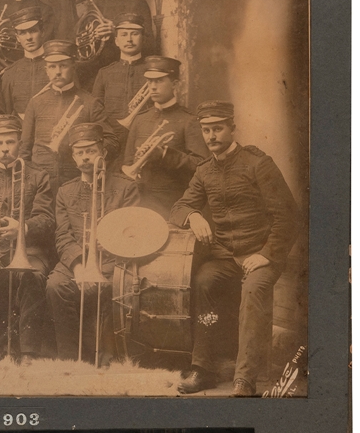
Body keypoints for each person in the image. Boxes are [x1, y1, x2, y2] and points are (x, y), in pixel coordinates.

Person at [171, 101, 298, 397]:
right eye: (206, 130)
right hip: (226, 257)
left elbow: (288, 215)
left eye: (217, 128)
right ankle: (203, 369)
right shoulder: (204, 171)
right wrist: (194, 215)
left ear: (232, 128)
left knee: (253, 292)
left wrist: (266, 254)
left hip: (262, 253)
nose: (211, 136)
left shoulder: (257, 163)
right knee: (204, 280)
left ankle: (245, 378)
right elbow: (180, 207)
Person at [46, 123, 140, 363]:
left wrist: (106, 253)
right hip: (75, 261)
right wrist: (78, 267)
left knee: (105, 287)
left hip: (112, 260)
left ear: (103, 152)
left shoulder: (125, 187)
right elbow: (62, 235)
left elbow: (131, 233)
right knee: (56, 285)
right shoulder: (66, 191)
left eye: (91, 150)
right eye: (79, 152)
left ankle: (106, 357)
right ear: (74, 157)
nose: (86, 157)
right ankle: (68, 359)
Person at [0, 115, 55, 366]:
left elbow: (47, 219)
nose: (5, 148)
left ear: (19, 143)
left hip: (31, 249)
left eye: (10, 142)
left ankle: (28, 351)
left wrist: (23, 228)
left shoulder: (38, 176)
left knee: (33, 275)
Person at [20, 40, 118, 190]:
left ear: (73, 67)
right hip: (40, 182)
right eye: (52, 67)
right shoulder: (35, 103)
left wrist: (87, 153)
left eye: (63, 65)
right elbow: (25, 148)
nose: (57, 72)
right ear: (46, 69)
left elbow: (111, 142)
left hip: (78, 179)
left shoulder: (90, 103)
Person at [123, 56, 207, 218]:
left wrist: (165, 155)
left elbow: (201, 165)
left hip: (172, 202)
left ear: (175, 84)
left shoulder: (189, 120)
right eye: (149, 81)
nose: (152, 87)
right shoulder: (140, 119)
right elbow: (127, 163)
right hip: (140, 201)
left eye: (159, 81)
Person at [74, 0, 154, 90]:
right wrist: (93, 38)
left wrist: (117, 32)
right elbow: (81, 47)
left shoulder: (136, 3)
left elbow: (151, 46)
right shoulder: (91, 7)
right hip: (94, 79)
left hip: (125, 77)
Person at [90, 12, 150, 156]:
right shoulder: (105, 73)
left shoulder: (152, 71)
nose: (129, 39)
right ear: (116, 41)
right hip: (113, 143)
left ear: (143, 39)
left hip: (145, 141)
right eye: (123, 35)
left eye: (134, 34)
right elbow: (96, 111)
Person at [0, 6, 50, 117]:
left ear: (42, 32)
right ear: (17, 37)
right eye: (22, 33)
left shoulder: (57, 66)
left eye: (33, 31)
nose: (28, 37)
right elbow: (7, 114)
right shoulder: (10, 73)